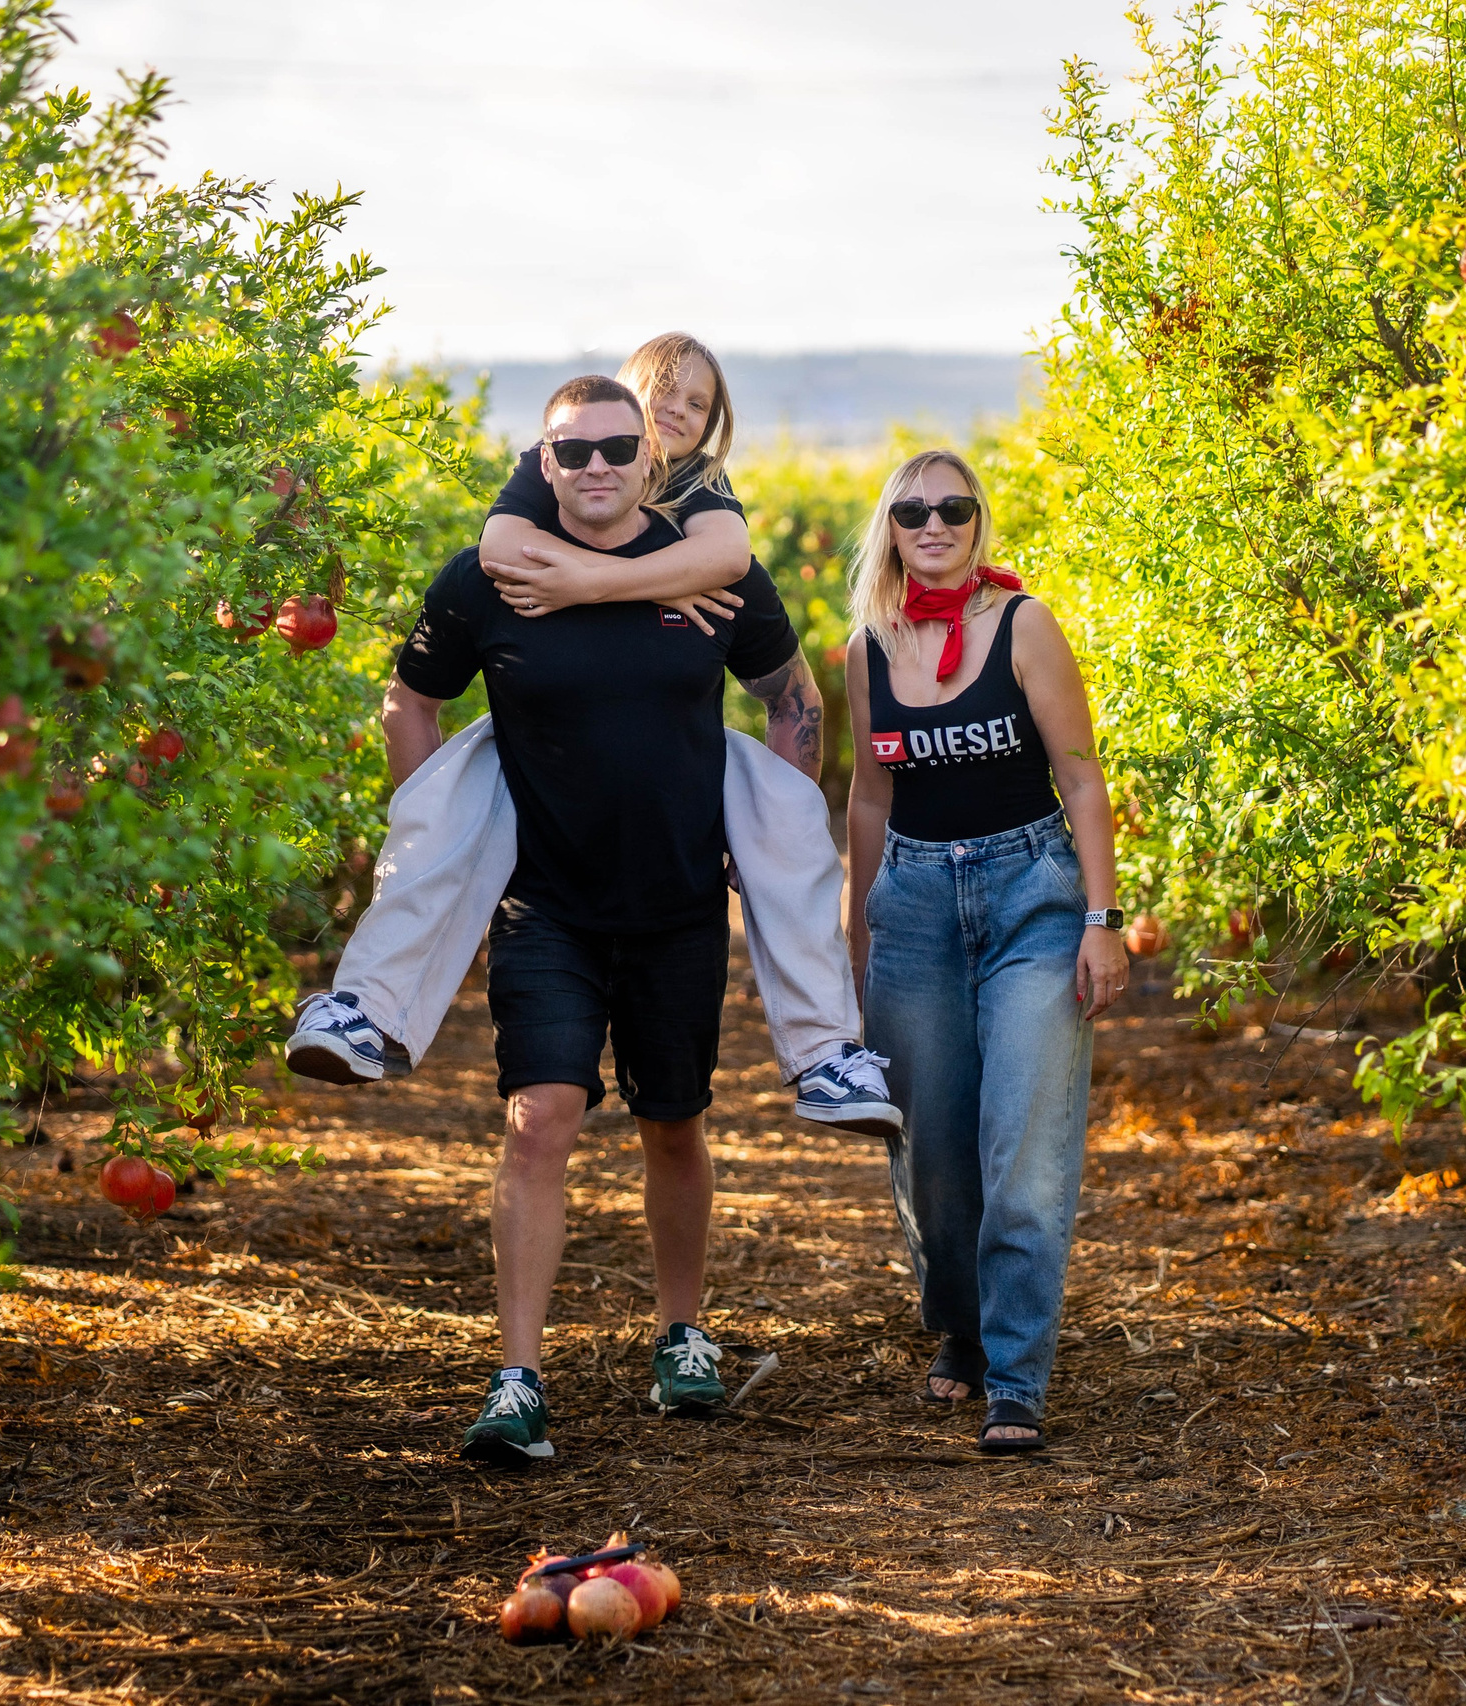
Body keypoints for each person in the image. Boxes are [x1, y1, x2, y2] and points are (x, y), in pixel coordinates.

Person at [374, 374, 824, 1465]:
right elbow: (409, 701)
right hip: (546, 904)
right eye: (571, 451)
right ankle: (518, 1380)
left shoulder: (705, 573)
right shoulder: (491, 578)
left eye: (618, 448)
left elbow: (795, 698)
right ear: (543, 460)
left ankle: (682, 1334)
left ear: (646, 459)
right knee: (540, 1119)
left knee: (674, 1119)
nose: (596, 468)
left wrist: (767, 840)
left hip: (678, 904)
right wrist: (442, 847)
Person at [288, 333, 897, 1137]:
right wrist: (447, 831)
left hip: (678, 873)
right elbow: (496, 551)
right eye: (661, 398)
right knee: (450, 803)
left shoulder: (706, 507)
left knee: (787, 829)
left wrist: (594, 584)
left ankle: (826, 1052)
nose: (675, 415)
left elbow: (744, 587)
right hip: (541, 853)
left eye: (696, 405)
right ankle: (366, 1008)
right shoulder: (541, 489)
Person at [843, 449, 1128, 1455]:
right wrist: (860, 943)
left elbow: (1082, 780)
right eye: (913, 510)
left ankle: (1015, 1375)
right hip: (914, 904)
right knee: (931, 1154)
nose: (934, 524)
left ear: (977, 521)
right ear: (889, 527)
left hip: (1030, 897)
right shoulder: (868, 647)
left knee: (1024, 1147)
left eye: (953, 508)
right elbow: (868, 798)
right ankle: (960, 1326)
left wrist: (1102, 920)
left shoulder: (1024, 625)